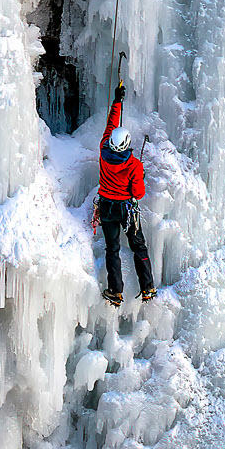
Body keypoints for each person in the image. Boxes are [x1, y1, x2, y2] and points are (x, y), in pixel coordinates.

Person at [95, 81, 155, 306]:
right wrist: (139, 176)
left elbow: (111, 124)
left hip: (106, 207)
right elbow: (138, 194)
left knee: (112, 249)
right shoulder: (134, 165)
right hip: (126, 209)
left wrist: (117, 100)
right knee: (138, 246)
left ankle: (115, 291)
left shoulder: (103, 151)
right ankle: (147, 287)